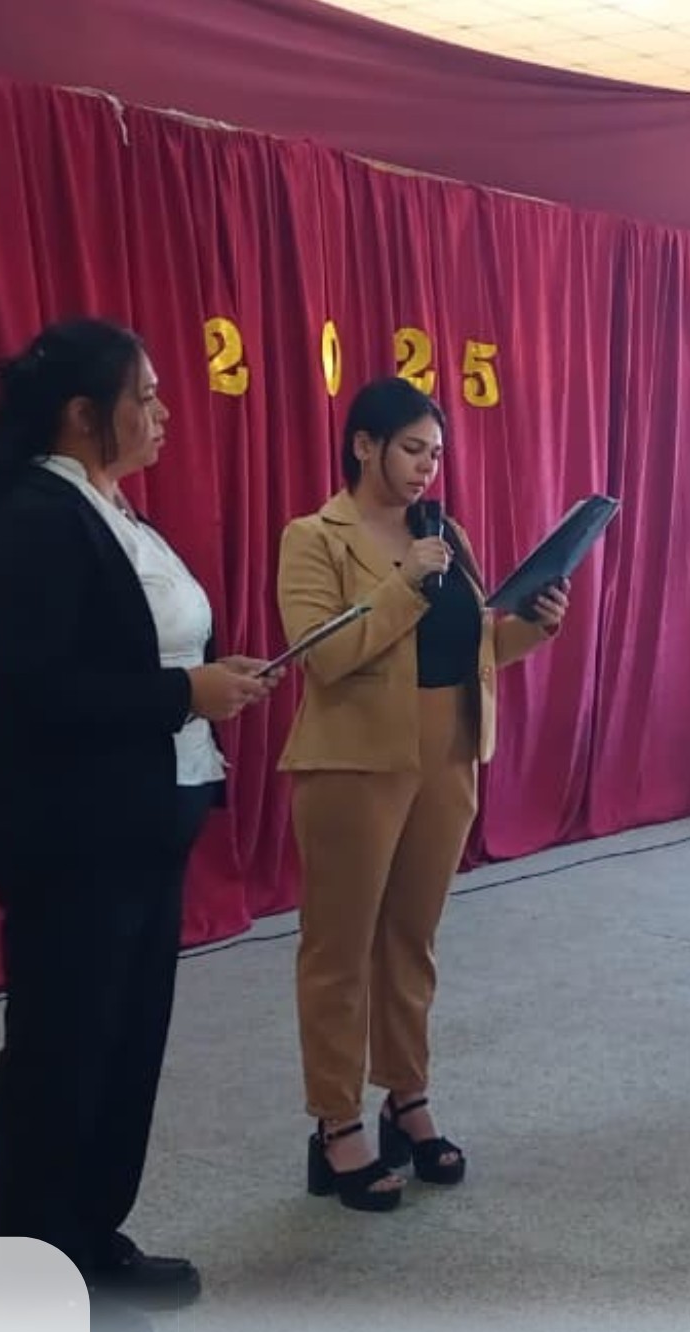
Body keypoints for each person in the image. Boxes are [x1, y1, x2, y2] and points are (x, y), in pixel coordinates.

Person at [0, 318, 276, 1297]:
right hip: (72, 830)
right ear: (81, 413)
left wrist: (208, 682)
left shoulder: (114, 508)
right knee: (61, 1050)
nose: (163, 412)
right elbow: (46, 687)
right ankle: (32, 1272)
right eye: (144, 396)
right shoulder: (34, 518)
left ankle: (92, 1236)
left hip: (146, 818)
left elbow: (148, 647)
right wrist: (188, 693)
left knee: (126, 1041)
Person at [278, 378, 570, 1212]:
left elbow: (476, 648)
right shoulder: (315, 537)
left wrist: (536, 624)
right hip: (355, 764)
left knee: (412, 940)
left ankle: (406, 1097)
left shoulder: (445, 535)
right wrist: (405, 581)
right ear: (363, 445)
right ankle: (336, 1122)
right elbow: (324, 656)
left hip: (448, 753)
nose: (425, 469)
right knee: (340, 948)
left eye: (435, 454)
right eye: (411, 449)